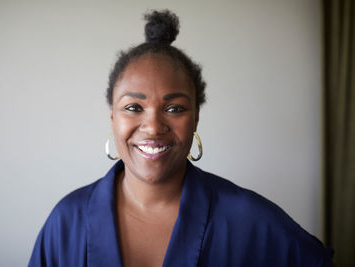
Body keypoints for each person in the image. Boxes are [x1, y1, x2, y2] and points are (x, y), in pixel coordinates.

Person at [28, 10, 333, 267]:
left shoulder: (253, 221)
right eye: (134, 107)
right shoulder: (65, 223)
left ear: (196, 117)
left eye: (174, 108)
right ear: (113, 117)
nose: (153, 126)